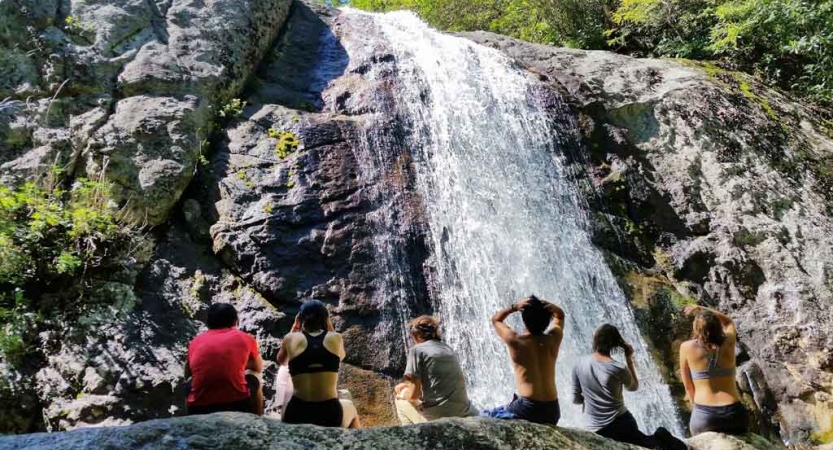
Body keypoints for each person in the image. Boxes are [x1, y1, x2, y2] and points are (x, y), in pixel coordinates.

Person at [572, 324, 687, 450]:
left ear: (595, 340)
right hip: (621, 424)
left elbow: (576, 400)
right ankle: (665, 436)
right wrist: (628, 359)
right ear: (615, 344)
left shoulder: (578, 364)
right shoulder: (617, 368)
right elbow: (633, 387)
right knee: (653, 444)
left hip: (594, 429)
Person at [277, 299, 361, 428]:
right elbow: (341, 356)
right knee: (350, 407)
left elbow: (282, 361)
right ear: (325, 318)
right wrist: (328, 322)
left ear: (301, 318)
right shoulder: (336, 338)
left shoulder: (290, 338)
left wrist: (295, 326)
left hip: (298, 413)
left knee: (287, 398)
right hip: (328, 414)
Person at [482, 295, 564, 425]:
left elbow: (496, 320)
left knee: (486, 416)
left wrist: (513, 307)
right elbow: (560, 316)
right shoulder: (553, 339)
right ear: (547, 319)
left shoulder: (516, 340)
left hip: (528, 409)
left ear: (524, 319)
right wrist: (554, 309)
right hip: (552, 410)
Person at [393, 316, 479, 424]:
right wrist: (407, 385)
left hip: (439, 417)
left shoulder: (417, 350)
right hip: (464, 412)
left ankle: (417, 437)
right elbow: (437, 383)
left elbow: (414, 395)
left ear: (415, 334)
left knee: (400, 399)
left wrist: (403, 392)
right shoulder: (448, 348)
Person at [680, 305, 749, 436]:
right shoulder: (729, 341)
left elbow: (688, 386)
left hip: (705, 415)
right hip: (734, 414)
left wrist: (697, 411)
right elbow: (728, 321)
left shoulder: (686, 347)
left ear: (696, 328)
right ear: (718, 326)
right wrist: (700, 307)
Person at [185, 303, 264, 415]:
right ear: (235, 321)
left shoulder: (195, 342)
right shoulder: (246, 338)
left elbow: (187, 373)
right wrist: (238, 365)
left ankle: (190, 419)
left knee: (189, 382)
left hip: (199, 407)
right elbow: (258, 368)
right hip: (239, 404)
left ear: (208, 323)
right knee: (254, 375)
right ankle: (257, 420)